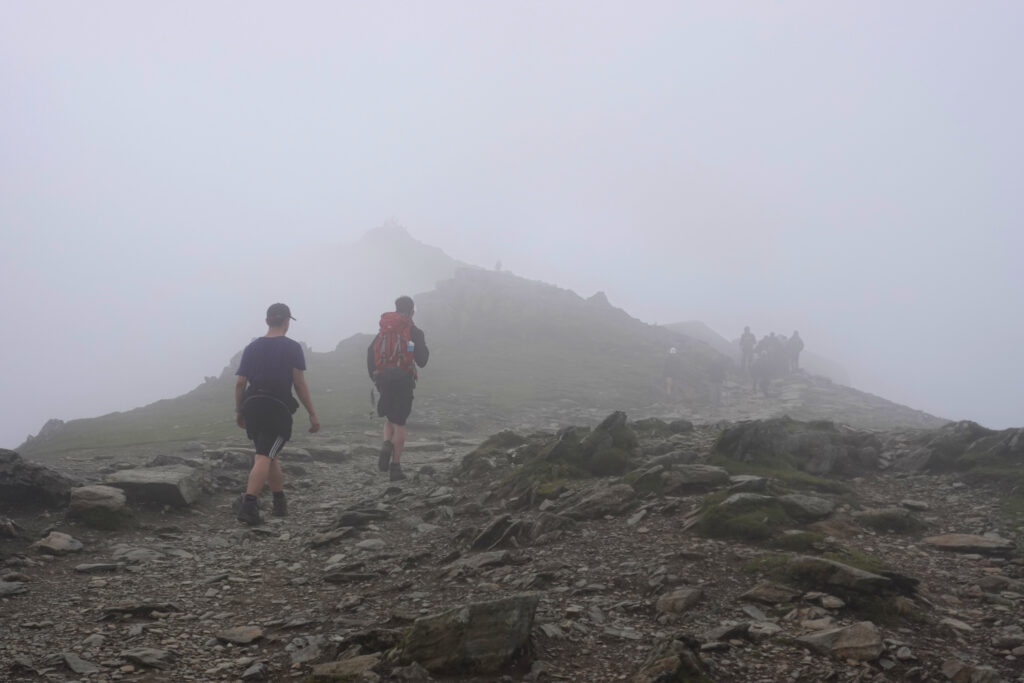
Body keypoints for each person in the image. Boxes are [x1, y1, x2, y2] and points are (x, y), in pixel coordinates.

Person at [233, 303, 320, 525]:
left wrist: (240, 410)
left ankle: (279, 502)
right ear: (287, 322)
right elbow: (299, 383)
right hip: (276, 407)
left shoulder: (251, 348)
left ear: (267, 321)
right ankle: (249, 506)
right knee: (264, 456)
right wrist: (312, 413)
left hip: (252, 405)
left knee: (270, 454)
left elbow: (240, 383)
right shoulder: (292, 347)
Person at [367, 295, 429, 481]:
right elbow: (422, 361)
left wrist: (376, 377)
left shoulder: (384, 330)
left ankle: (387, 443)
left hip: (384, 379)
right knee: (400, 423)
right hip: (404, 379)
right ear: (412, 311)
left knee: (390, 417)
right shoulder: (414, 332)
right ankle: (395, 467)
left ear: (395, 308)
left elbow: (371, 353)